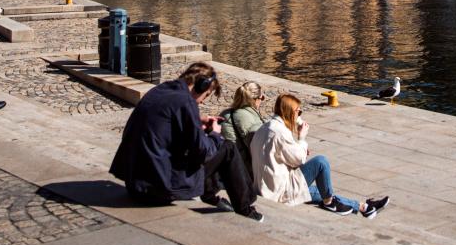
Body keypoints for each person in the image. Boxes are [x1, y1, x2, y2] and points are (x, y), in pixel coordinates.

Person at [111, 61, 262, 221]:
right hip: (159, 189)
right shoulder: (186, 102)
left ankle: (210, 196)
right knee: (227, 147)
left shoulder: (160, 90)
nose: (203, 101)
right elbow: (204, 152)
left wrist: (197, 121)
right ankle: (246, 209)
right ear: (202, 86)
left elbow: (168, 125)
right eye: (207, 95)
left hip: (135, 183)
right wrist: (215, 134)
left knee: (203, 144)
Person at [250, 93, 388, 219]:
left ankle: (364, 207)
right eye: (299, 111)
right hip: (279, 191)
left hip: (267, 187)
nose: (300, 115)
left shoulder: (266, 127)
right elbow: (298, 159)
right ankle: (330, 203)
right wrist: (301, 139)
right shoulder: (280, 133)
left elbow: (281, 157)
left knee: (321, 190)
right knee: (321, 162)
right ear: (291, 112)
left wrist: (298, 140)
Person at [220, 81, 267, 174]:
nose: (262, 100)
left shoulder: (225, 113)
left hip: (227, 163)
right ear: (255, 99)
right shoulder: (249, 118)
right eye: (262, 97)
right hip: (242, 168)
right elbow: (256, 148)